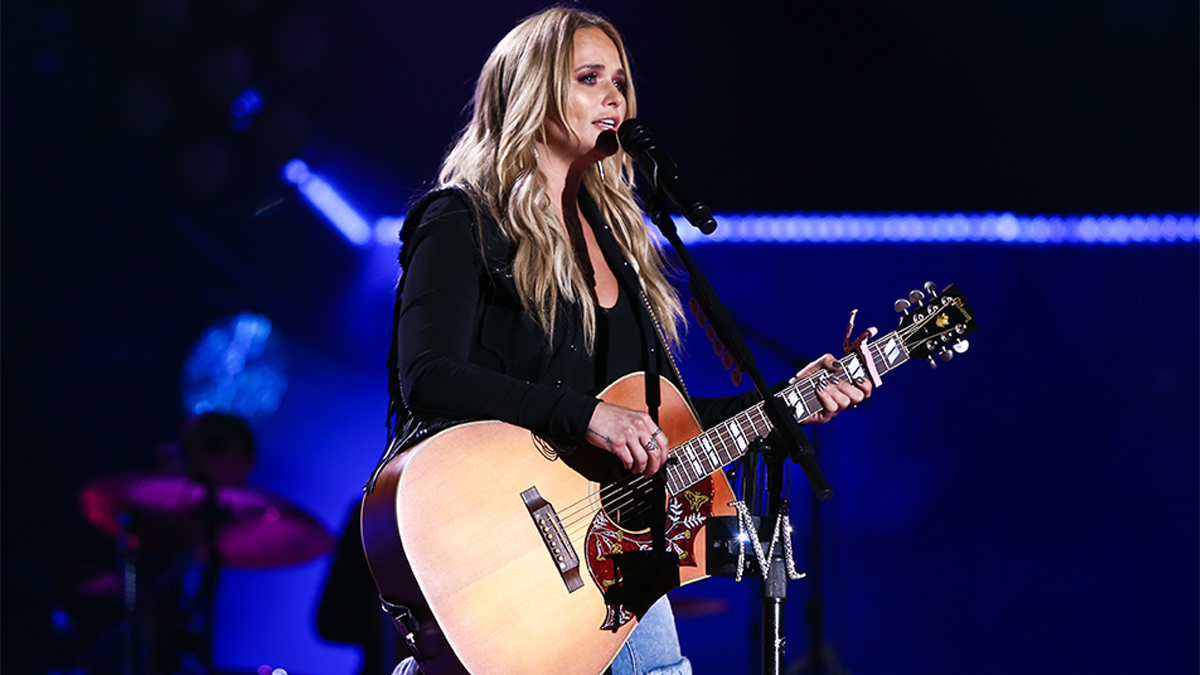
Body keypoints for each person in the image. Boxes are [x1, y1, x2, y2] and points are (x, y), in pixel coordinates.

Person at [377, 7, 873, 675]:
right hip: (493, 545)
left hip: (610, 557)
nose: (614, 96)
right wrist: (586, 414)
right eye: (589, 78)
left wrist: (791, 401)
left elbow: (661, 427)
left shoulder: (621, 243)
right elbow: (428, 375)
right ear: (532, 91)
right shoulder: (462, 219)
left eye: (619, 81)